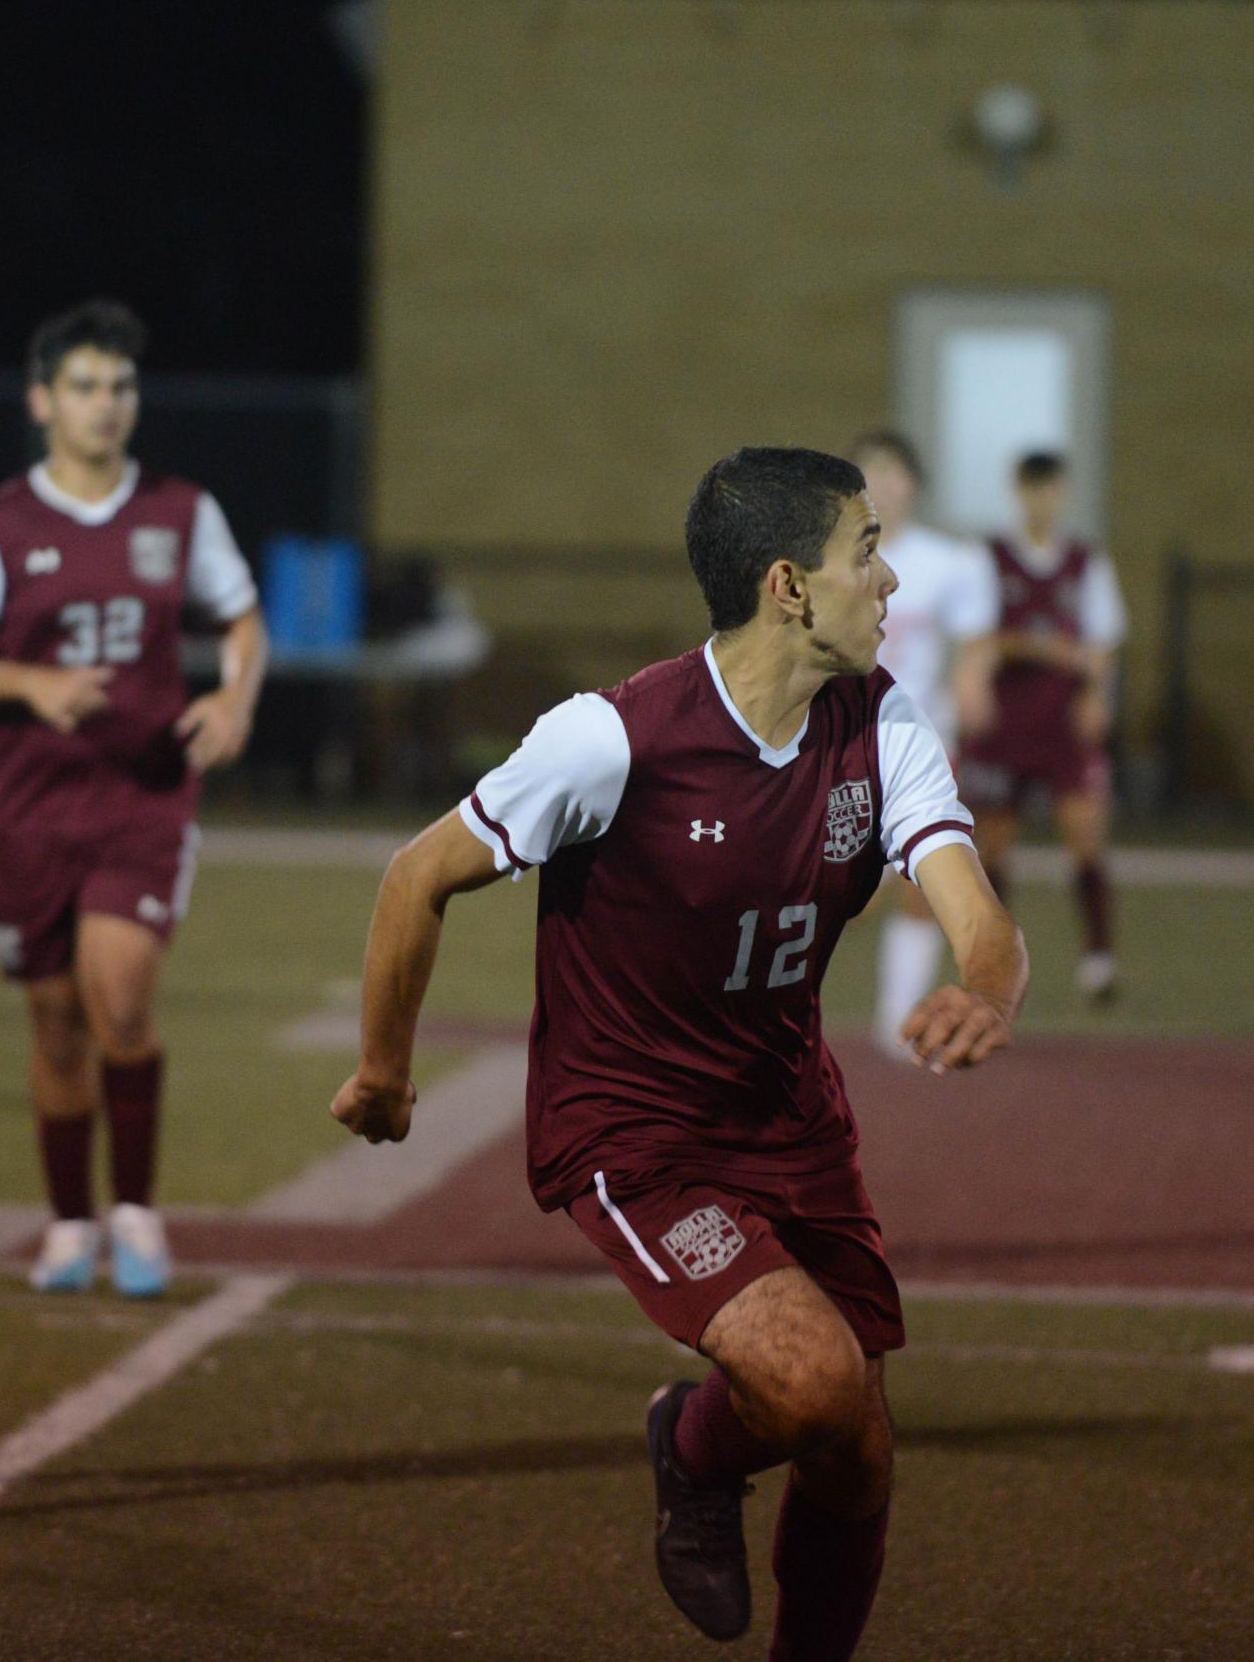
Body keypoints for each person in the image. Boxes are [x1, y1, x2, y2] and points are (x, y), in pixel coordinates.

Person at [331, 447, 1027, 1660]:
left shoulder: (878, 722)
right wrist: (385, 1073)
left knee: (858, 1451)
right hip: (637, 1137)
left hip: (790, 1119)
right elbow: (417, 875)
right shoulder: (611, 741)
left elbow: (976, 911)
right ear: (788, 587)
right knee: (814, 1386)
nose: (893, 577)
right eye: (866, 550)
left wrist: (986, 982)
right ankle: (691, 1451)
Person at [0, 299, 267, 1297]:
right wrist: (28, 685)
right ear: (42, 401)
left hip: (143, 796)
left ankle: (137, 1214)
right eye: (84, 387)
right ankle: (71, 1222)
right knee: (55, 1020)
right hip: (30, 809)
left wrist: (234, 699)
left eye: (120, 387)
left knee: (120, 996)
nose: (106, 405)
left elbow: (241, 619)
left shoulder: (178, 511)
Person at [846, 429, 999, 1055]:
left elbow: (977, 638)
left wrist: (973, 685)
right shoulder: (829, 558)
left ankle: (897, 1020)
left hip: (918, 741)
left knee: (922, 883)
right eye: (868, 473)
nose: (882, 485)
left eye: (892, 473)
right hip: (841, 739)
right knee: (828, 888)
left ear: (914, 484)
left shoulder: (949, 561)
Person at [957, 449, 1126, 1003]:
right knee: (993, 849)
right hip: (1006, 724)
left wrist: (1096, 694)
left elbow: (1102, 646)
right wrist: (1046, 649)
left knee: (1085, 836)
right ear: (1018, 493)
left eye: (1051, 489)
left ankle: (1099, 959)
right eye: (1033, 489)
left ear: (1063, 493)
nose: (1042, 500)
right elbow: (982, 637)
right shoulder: (991, 557)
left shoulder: (1086, 562)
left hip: (1061, 724)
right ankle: (997, 963)